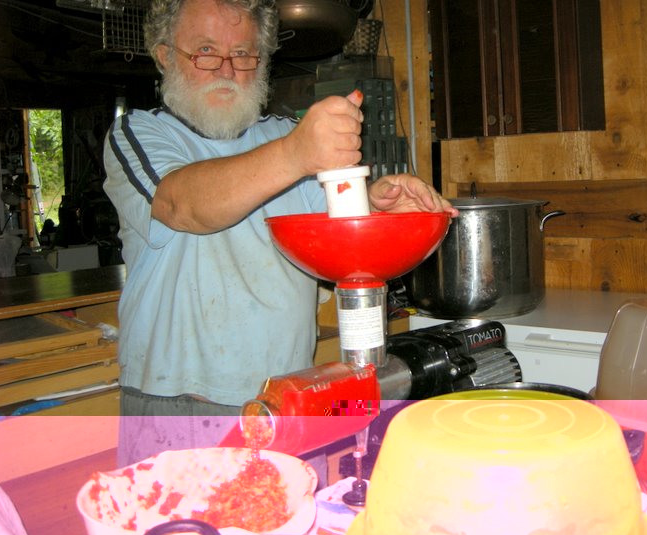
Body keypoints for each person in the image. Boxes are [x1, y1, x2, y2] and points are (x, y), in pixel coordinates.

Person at [103, 0, 455, 469]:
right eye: (205, 51)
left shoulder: (287, 136)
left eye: (243, 53)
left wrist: (379, 206)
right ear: (165, 55)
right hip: (178, 403)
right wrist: (295, 153)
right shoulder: (139, 134)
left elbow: (338, 231)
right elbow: (181, 205)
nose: (227, 69)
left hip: (291, 396)